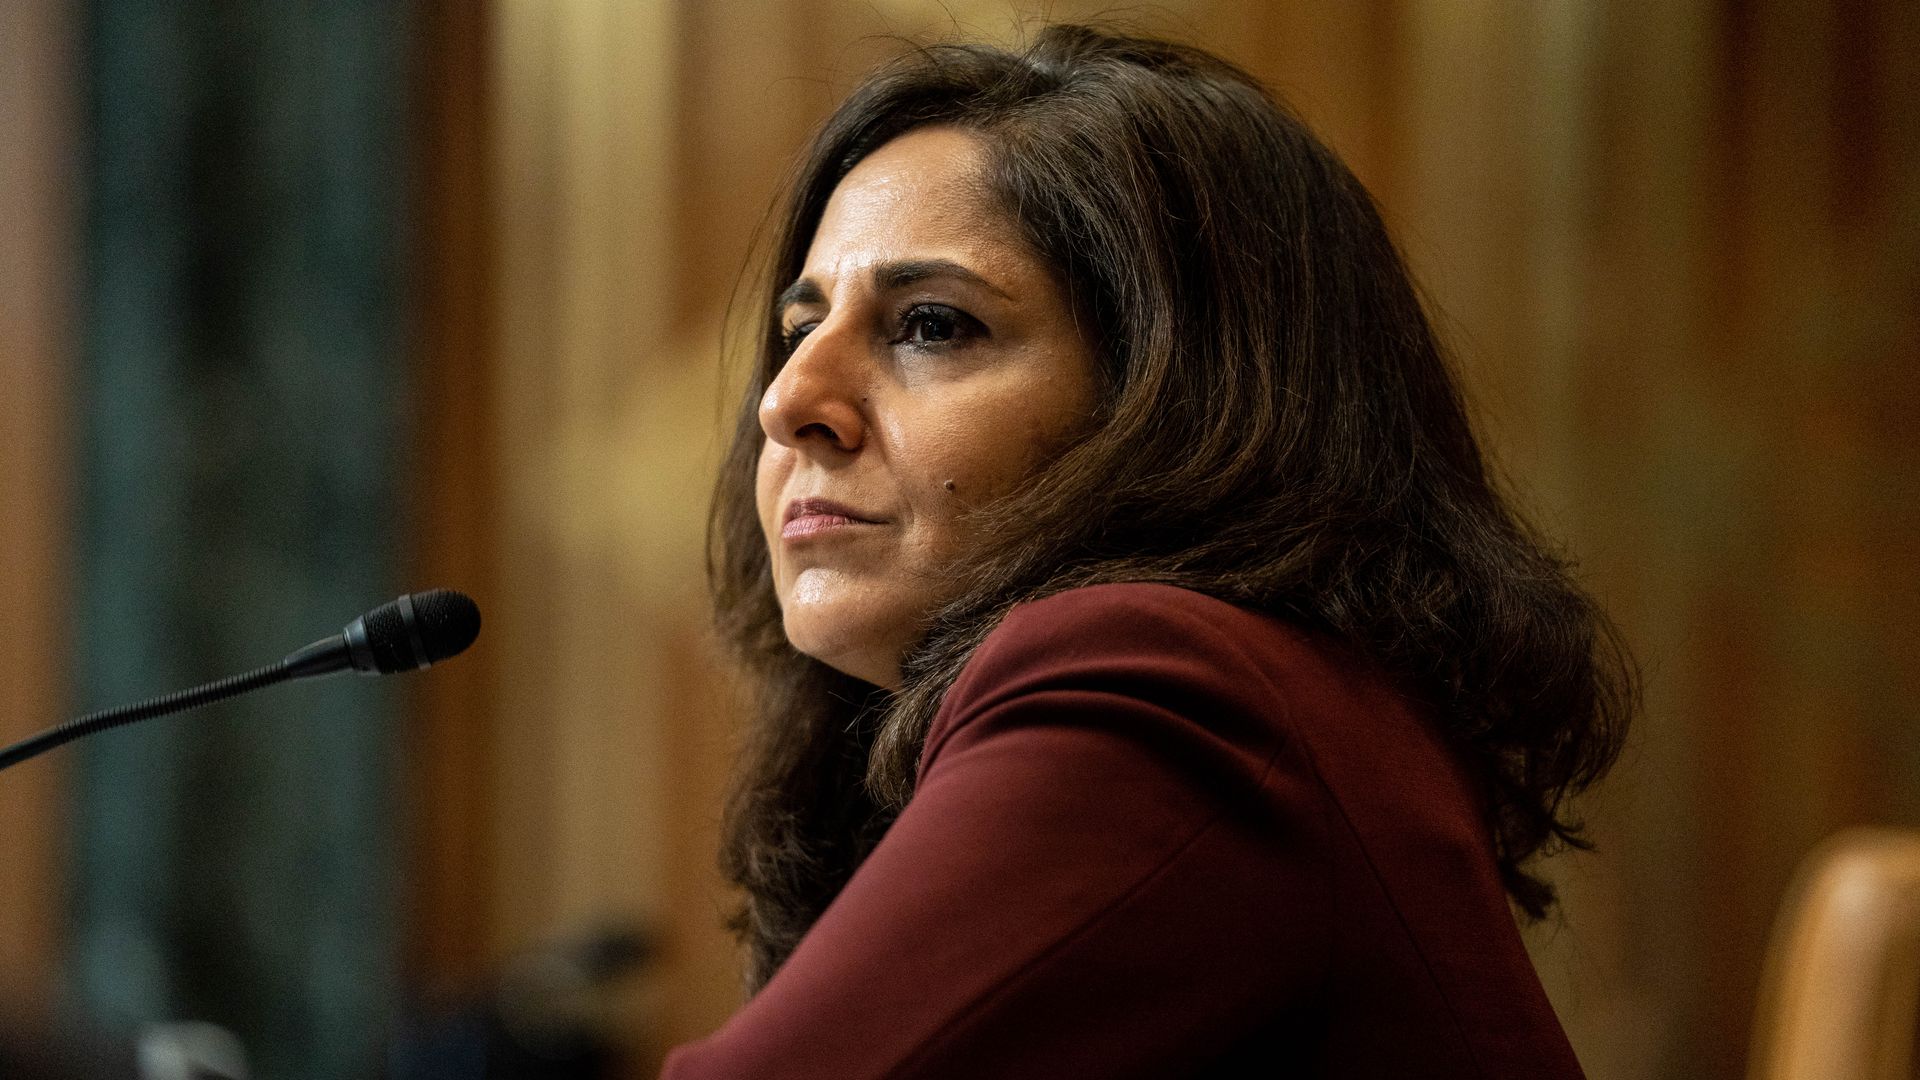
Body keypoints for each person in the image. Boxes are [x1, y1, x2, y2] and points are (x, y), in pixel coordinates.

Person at [669, 23, 1634, 1080]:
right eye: (801, 329)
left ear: (1178, 402)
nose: (787, 400)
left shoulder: (1162, 682)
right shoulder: (1271, 685)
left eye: (933, 326)